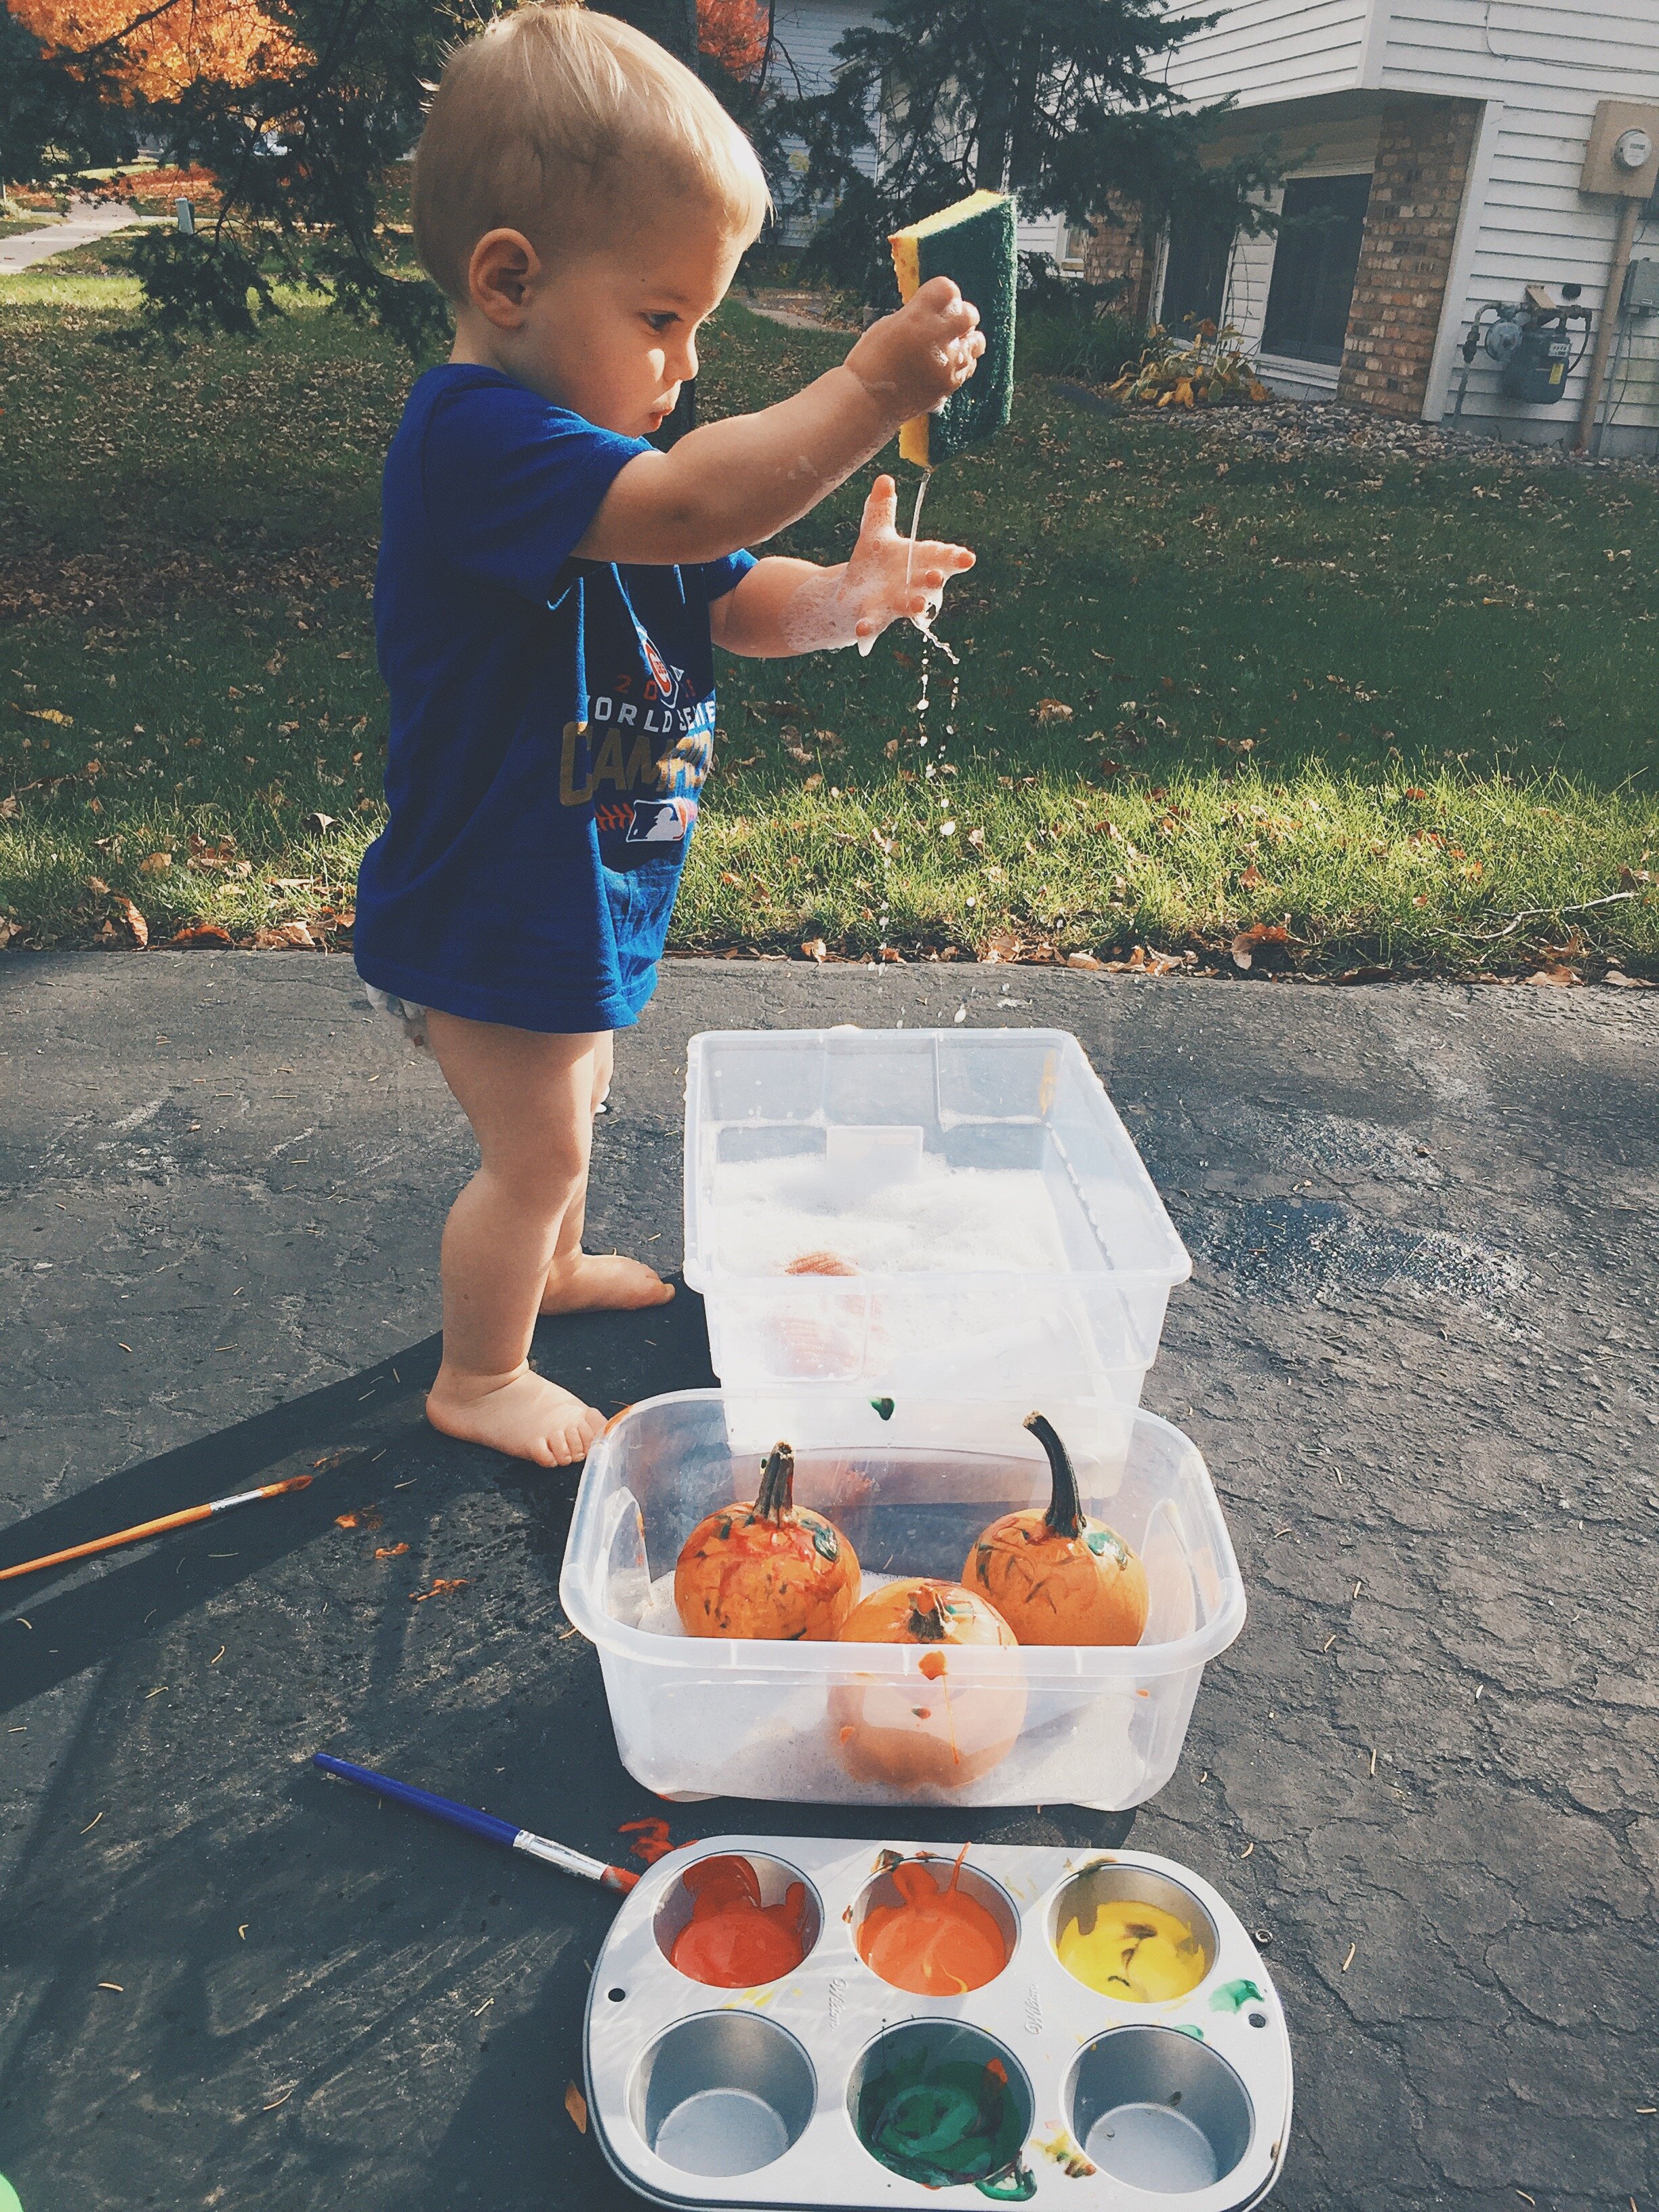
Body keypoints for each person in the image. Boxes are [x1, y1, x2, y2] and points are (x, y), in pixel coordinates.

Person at [354, 0, 981, 1467]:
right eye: (662, 319)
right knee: (540, 1147)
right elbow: (704, 506)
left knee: (578, 1097)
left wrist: (843, 598)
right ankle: (478, 1372)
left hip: (577, 882)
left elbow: (729, 590)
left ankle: (553, 1266)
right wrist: (866, 389)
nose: (685, 365)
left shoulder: (607, 469)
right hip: (488, 894)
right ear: (509, 280)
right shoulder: (478, 443)